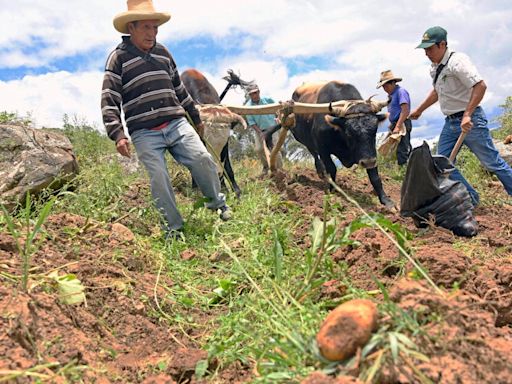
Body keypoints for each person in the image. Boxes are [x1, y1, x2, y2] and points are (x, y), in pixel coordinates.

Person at [101, 0, 231, 240]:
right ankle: (174, 228)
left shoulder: (163, 53)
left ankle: (217, 203)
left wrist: (195, 117)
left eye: (155, 28)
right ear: (132, 28)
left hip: (176, 122)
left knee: (202, 157)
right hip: (144, 132)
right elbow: (110, 98)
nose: (152, 33)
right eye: (146, 28)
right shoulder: (117, 59)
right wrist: (117, 134)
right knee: (158, 176)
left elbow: (179, 89)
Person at [409, 26, 512, 206]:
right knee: (442, 163)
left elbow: (480, 86)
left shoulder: (458, 62)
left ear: (443, 45)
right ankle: (471, 198)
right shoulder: (435, 68)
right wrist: (420, 109)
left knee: (492, 163)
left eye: (430, 48)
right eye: (424, 49)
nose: (426, 53)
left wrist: (467, 115)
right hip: (450, 123)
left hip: (471, 121)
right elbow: (437, 92)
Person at [244, 83, 283, 175]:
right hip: (259, 130)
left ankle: (280, 170)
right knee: (259, 149)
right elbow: (251, 122)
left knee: (275, 149)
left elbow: (278, 109)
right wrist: (260, 133)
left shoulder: (268, 100)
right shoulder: (247, 107)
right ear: (249, 95)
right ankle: (266, 166)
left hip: (272, 128)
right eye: (252, 94)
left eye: (256, 93)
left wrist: (278, 117)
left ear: (259, 92)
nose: (254, 95)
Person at [377, 70, 413, 166]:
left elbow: (405, 110)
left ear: (393, 83)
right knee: (395, 148)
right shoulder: (391, 95)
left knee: (402, 149)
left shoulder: (401, 92)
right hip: (396, 123)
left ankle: (405, 171)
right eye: (383, 86)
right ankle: (406, 168)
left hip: (402, 123)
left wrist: (398, 126)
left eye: (386, 85)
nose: (384, 88)